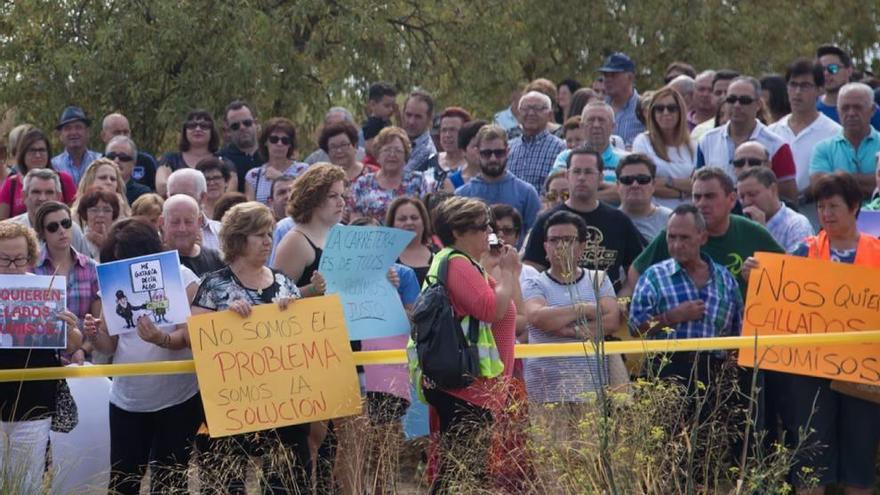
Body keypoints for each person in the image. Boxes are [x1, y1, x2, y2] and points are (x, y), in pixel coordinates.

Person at [742, 173, 880, 495]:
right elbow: (778, 295)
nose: (826, 214)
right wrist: (757, 277)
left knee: (858, 461)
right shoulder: (803, 252)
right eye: (820, 207)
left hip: (864, 372)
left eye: (834, 206)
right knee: (809, 457)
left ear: (855, 207)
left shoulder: (877, 252)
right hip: (810, 372)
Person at [191, 202, 309, 493]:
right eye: (259, 234)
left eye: (269, 233)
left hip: (285, 399)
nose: (268, 241)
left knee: (286, 481)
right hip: (232, 403)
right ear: (238, 239)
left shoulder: (284, 283)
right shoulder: (213, 285)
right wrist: (225, 320)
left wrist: (293, 313)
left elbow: (305, 342)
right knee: (224, 483)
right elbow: (199, 340)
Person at [82, 217, 202, 494]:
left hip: (178, 399)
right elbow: (109, 346)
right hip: (128, 400)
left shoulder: (183, 279)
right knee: (124, 480)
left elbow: (192, 337)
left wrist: (161, 339)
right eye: (119, 261)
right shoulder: (112, 284)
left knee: (171, 482)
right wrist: (93, 333)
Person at [416, 196, 520, 493]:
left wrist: (496, 266)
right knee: (461, 472)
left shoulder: (460, 261)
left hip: (470, 385)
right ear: (457, 232)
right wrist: (510, 272)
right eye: (480, 227)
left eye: (488, 225)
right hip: (466, 388)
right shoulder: (457, 262)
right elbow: (491, 309)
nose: (488, 232)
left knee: (464, 471)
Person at [0, 222, 83, 493]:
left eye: (19, 259)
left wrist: (70, 328)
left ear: (31, 257)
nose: (12, 267)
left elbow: (73, 344)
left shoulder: (45, 291)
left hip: (34, 407)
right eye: (4, 259)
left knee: (27, 485)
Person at [621, 166, 784, 298]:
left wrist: (759, 277)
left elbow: (787, 278)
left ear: (732, 199)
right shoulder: (676, 233)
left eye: (710, 197)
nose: (702, 204)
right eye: (697, 197)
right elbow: (636, 273)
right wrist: (661, 309)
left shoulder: (752, 232)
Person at [628, 204, 743, 380]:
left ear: (702, 238)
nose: (677, 244)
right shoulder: (654, 277)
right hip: (666, 368)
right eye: (671, 237)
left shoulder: (725, 280)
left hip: (715, 373)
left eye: (684, 238)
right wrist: (670, 317)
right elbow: (636, 329)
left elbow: (738, 334)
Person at [523, 211, 619, 404]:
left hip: (590, 388)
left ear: (582, 246)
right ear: (545, 247)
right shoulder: (534, 283)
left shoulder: (598, 279)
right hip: (545, 391)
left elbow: (610, 321)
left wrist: (570, 329)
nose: (560, 246)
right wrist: (584, 309)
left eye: (568, 240)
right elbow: (539, 318)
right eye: (554, 240)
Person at [523, 148, 644, 291]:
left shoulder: (619, 221)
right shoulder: (547, 220)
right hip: (558, 306)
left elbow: (637, 271)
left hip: (607, 306)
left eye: (588, 172)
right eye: (576, 171)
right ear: (567, 175)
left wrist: (619, 303)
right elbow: (531, 272)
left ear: (600, 177)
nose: (581, 177)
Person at [696, 76, 798, 202]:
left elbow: (788, 198)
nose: (737, 105)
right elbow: (699, 188)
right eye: (731, 99)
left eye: (744, 100)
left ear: (759, 104)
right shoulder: (706, 141)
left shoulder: (777, 145)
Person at [32, 201, 101, 363]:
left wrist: (82, 350)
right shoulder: (31, 268)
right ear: (42, 233)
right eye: (53, 227)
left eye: (65, 223)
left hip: (84, 360)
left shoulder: (92, 268)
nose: (61, 230)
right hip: (42, 361)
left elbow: (98, 323)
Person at [768, 59, 841, 205]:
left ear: (820, 90)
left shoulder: (835, 133)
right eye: (793, 85)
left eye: (805, 86)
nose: (797, 92)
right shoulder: (771, 132)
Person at [454, 124, 541, 237]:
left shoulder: (527, 192)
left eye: (499, 153)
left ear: (507, 152)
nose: (493, 158)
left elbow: (534, 235)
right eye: (487, 153)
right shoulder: (462, 195)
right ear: (477, 153)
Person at [272, 163, 341, 296]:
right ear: (313, 199)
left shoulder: (338, 233)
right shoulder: (295, 241)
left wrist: (384, 277)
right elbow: (276, 297)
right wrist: (312, 289)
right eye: (333, 196)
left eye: (341, 195)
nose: (341, 202)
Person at [809, 83, 880, 198]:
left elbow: (829, 186)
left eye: (858, 107)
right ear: (837, 111)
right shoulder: (822, 149)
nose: (851, 113)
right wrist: (873, 181)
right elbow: (820, 187)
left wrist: (836, 178)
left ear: (872, 110)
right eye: (845, 108)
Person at [632, 86, 695, 208]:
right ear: (653, 113)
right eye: (659, 109)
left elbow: (698, 185)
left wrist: (667, 181)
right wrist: (684, 191)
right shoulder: (642, 141)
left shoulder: (694, 145)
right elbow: (644, 184)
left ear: (680, 112)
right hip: (656, 213)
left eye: (672, 108)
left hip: (690, 215)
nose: (666, 113)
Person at [349, 126, 429, 222]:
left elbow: (426, 216)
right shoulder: (363, 183)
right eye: (387, 150)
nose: (392, 155)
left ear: (405, 156)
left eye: (398, 151)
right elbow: (355, 221)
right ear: (378, 155)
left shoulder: (418, 180)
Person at [5, 168, 92, 255]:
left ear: (58, 197)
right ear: (24, 196)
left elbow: (87, 266)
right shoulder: (8, 232)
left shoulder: (72, 230)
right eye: (36, 192)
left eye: (49, 192)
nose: (42, 198)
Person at [0, 128, 77, 220]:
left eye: (42, 150)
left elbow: (74, 216)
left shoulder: (64, 180)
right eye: (32, 150)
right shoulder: (11, 184)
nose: (37, 155)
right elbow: (3, 224)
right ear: (23, 154)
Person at [551, 102, 628, 193]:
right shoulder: (565, 157)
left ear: (613, 127)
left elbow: (628, 191)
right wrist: (613, 188)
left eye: (601, 120)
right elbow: (558, 190)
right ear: (582, 126)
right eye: (591, 120)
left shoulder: (625, 160)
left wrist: (581, 191)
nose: (596, 125)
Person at [736, 166, 813, 252]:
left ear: (773, 189)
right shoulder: (739, 224)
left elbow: (797, 264)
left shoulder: (796, 225)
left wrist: (762, 234)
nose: (746, 202)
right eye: (742, 197)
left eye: (752, 194)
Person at [506, 91, 566, 192]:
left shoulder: (560, 149)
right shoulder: (508, 148)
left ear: (549, 114)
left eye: (537, 108)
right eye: (526, 108)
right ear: (518, 113)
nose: (531, 113)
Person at [156, 110, 223, 197]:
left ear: (212, 131)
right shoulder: (170, 159)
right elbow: (161, 187)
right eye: (191, 126)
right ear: (185, 131)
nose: (198, 129)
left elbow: (229, 188)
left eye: (204, 126)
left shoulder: (223, 160)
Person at [816, 44, 880, 130]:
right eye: (821, 69)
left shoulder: (869, 109)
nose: (826, 74)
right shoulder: (811, 109)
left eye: (833, 68)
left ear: (849, 71)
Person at [244, 117, 308, 205]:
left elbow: (305, 200)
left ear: (290, 145)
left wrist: (280, 177)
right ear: (266, 142)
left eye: (285, 140)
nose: (279, 144)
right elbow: (250, 208)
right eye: (274, 139)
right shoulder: (253, 176)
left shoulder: (302, 170)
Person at [161, 194, 224, 276]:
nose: (182, 229)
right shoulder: (153, 265)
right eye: (175, 222)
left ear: (199, 222)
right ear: (162, 223)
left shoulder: (218, 260)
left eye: (188, 222)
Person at [616, 154, 672, 243]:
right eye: (627, 180)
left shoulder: (670, 220)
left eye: (642, 179)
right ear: (618, 186)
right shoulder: (607, 220)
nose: (635, 185)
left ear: (653, 184)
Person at [166, 168, 222, 251]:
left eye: (186, 196)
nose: (179, 200)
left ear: (203, 197)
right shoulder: (157, 236)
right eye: (174, 196)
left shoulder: (222, 233)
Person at [597, 52, 645, 145]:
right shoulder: (599, 108)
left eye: (614, 75)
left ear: (630, 77)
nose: (608, 79)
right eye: (605, 75)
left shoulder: (644, 108)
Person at [100, 112, 157, 190]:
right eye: (117, 132)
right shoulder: (98, 163)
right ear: (103, 136)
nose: (122, 136)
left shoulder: (146, 161)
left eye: (126, 132)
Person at [386, 196, 436, 285]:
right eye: (402, 219)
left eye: (414, 218)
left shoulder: (438, 255)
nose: (409, 222)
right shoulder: (384, 259)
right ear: (392, 224)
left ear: (424, 222)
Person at [218, 100, 261, 192]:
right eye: (235, 126)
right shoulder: (220, 160)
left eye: (247, 123)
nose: (242, 128)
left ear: (256, 123)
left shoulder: (272, 155)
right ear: (228, 130)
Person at [51, 105, 101, 184]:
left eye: (78, 127)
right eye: (68, 128)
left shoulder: (99, 161)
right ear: (60, 135)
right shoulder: (53, 166)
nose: (73, 132)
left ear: (87, 132)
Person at [317, 120, 374, 184]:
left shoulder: (373, 175)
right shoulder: (321, 181)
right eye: (333, 147)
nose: (339, 151)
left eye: (343, 145)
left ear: (354, 146)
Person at [691, 69, 740, 142]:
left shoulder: (755, 130)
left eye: (727, 92)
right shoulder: (700, 132)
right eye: (718, 93)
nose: (723, 97)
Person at [76, 187, 122, 260]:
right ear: (85, 213)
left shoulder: (121, 240)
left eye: (107, 210)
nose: (101, 214)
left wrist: (106, 245)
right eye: (94, 210)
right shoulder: (78, 241)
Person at [105, 135, 151, 205]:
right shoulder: (93, 190)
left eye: (123, 157)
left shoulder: (143, 195)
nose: (116, 160)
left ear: (133, 164)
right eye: (111, 156)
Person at [402, 90, 438, 172]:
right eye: (408, 115)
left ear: (429, 119)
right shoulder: (396, 142)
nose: (411, 122)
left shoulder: (428, 153)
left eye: (418, 117)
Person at [447, 119, 488, 189]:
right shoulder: (452, 182)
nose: (482, 150)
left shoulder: (502, 177)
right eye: (476, 146)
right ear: (463, 151)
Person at [195, 156, 234, 220]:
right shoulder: (194, 211)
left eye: (217, 178)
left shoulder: (235, 210)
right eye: (207, 179)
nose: (212, 183)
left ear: (226, 182)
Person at [437, 107, 472, 174]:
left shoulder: (472, 167)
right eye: (444, 130)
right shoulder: (429, 162)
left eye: (452, 130)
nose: (447, 135)